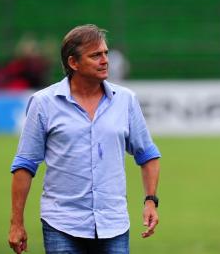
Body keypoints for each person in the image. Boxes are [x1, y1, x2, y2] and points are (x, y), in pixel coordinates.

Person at [8, 24, 161, 254]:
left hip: (114, 225)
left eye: (105, 53)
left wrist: (151, 200)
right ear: (73, 63)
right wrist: (16, 223)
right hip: (61, 224)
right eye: (95, 55)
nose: (105, 60)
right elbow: (25, 165)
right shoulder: (43, 103)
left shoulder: (126, 100)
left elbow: (148, 155)